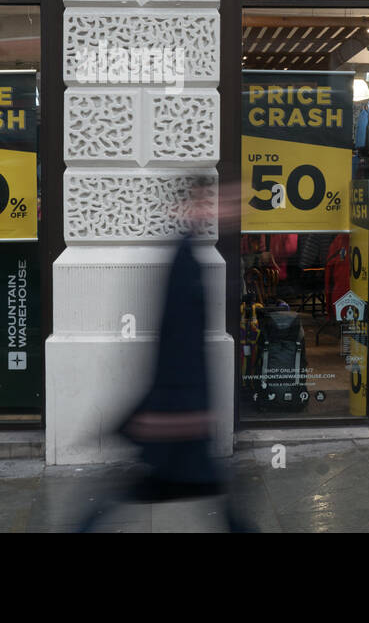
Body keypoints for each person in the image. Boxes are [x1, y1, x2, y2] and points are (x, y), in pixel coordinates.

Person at [78, 180, 253, 532]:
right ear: (189, 208)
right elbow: (177, 341)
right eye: (214, 203)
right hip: (180, 408)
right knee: (178, 484)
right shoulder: (185, 259)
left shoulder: (188, 254)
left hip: (180, 407)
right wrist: (184, 409)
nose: (223, 210)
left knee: (175, 486)